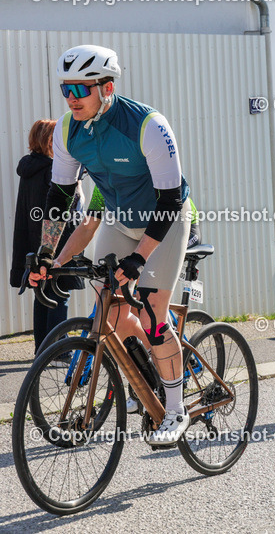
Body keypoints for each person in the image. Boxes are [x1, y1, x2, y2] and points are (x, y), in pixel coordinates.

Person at [29, 45, 192, 446]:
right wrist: (49, 255)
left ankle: (176, 409)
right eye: (66, 89)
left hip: (165, 220)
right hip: (120, 220)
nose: (71, 98)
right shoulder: (66, 131)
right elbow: (60, 195)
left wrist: (140, 257)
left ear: (107, 88)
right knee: (110, 311)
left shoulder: (148, 125)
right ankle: (148, 376)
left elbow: (170, 200)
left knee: (153, 312)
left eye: (80, 89)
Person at [10, 119, 83, 354]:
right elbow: (71, 204)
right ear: (49, 140)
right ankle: (58, 350)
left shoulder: (29, 168)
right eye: (57, 137)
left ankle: (42, 350)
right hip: (56, 242)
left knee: (41, 295)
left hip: (34, 241)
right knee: (59, 294)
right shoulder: (53, 169)